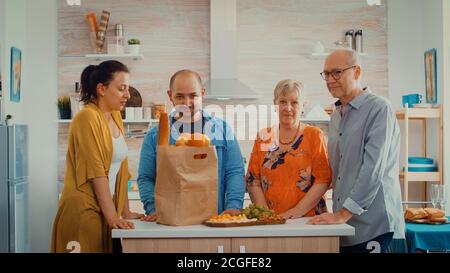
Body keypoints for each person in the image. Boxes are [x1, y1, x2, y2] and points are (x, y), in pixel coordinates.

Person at [308, 49, 405, 253]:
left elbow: (373, 170)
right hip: (345, 228)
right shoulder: (335, 117)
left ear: (357, 72)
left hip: (376, 228)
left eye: (337, 72)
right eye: (326, 74)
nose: (330, 79)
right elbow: (340, 170)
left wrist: (342, 214)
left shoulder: (379, 109)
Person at [51, 60, 144, 253]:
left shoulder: (115, 116)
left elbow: (121, 171)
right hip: (83, 212)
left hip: (104, 209)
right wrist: (113, 218)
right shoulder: (86, 118)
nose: (127, 95)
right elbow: (97, 172)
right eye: (121, 88)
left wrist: (125, 212)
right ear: (101, 89)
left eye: (127, 88)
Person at [138, 69, 245, 221]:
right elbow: (146, 178)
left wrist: (233, 207)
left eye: (193, 95)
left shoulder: (223, 130)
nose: (187, 103)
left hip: (215, 220)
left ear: (202, 93)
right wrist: (153, 209)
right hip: (171, 222)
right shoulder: (154, 136)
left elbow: (234, 172)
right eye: (180, 96)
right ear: (170, 96)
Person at [246, 79, 331, 219]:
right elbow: (253, 180)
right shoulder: (263, 136)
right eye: (283, 102)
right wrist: (266, 214)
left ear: (303, 105)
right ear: (275, 104)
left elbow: (323, 179)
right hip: (272, 220)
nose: (288, 108)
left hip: (309, 218)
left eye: (294, 102)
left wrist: (298, 210)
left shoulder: (314, 135)